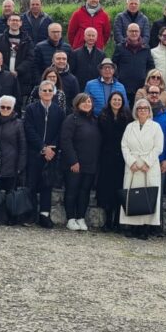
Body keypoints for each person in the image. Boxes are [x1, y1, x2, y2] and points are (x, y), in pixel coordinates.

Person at [120, 99, 165, 239]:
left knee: (147, 196)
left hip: (148, 166)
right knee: (133, 195)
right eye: (140, 108)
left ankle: (145, 227)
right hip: (133, 165)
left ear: (149, 110)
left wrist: (147, 162)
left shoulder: (156, 127)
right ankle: (132, 226)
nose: (142, 110)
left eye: (145, 108)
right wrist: (131, 162)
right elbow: (124, 145)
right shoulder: (130, 127)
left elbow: (158, 147)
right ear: (136, 111)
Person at [23, 80, 65, 228]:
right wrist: (42, 147)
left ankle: (44, 215)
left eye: (49, 90)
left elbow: (60, 132)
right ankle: (31, 214)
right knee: (32, 185)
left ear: (53, 93)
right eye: (44, 90)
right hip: (34, 152)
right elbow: (29, 129)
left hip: (51, 154)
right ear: (39, 92)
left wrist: (51, 149)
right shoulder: (31, 109)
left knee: (47, 185)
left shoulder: (59, 111)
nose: (47, 93)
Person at [60, 93, 102, 230]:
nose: (87, 104)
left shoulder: (95, 120)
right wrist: (73, 161)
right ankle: (71, 218)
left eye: (89, 101)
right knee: (72, 190)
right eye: (84, 102)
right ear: (77, 104)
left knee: (85, 191)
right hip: (74, 163)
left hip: (90, 163)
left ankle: (81, 218)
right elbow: (66, 141)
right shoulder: (71, 119)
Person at [96, 91, 131, 232]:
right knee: (107, 189)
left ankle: (117, 221)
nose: (117, 102)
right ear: (110, 101)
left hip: (122, 158)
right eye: (114, 99)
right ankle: (108, 220)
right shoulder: (103, 117)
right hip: (106, 156)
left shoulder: (127, 118)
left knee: (119, 188)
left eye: (119, 100)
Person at [0, 95, 27, 224]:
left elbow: (23, 146)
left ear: (12, 108)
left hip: (12, 163)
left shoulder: (18, 124)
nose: (5, 109)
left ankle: (10, 218)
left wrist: (20, 166)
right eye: (2, 106)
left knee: (10, 193)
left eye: (8, 107)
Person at [0, 13, 35, 96]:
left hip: (22, 76)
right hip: (2, 75)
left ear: (21, 23)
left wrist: (18, 71)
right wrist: (7, 71)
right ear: (8, 22)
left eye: (17, 20)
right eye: (12, 20)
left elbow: (30, 58)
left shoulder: (27, 40)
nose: (15, 22)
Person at [112, 23, 154, 99]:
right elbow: (114, 64)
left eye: (136, 31)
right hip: (123, 87)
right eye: (131, 31)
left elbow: (151, 66)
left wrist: (145, 78)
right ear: (127, 32)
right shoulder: (120, 47)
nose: (134, 33)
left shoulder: (146, 48)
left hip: (141, 88)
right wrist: (118, 77)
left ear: (139, 32)